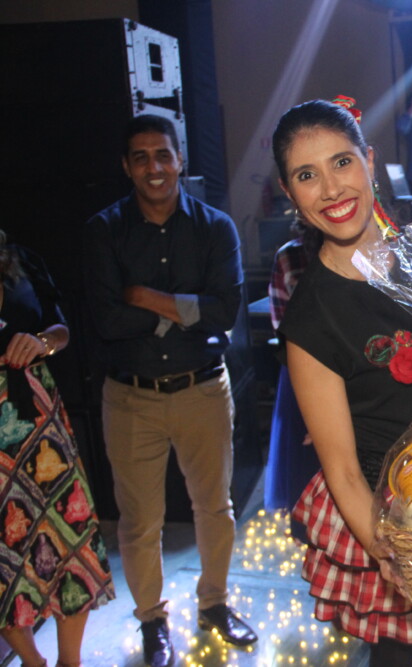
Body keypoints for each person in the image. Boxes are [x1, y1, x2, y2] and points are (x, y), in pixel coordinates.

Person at [272, 98, 412, 667]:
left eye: (341, 162)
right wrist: (387, 550)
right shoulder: (310, 318)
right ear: (288, 192)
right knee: (396, 653)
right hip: (390, 509)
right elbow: (343, 470)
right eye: (306, 175)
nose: (331, 189)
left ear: (369, 161)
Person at [84, 114, 256, 667]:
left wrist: (144, 297)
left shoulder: (215, 228)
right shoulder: (105, 231)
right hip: (130, 397)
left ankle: (214, 605)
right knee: (139, 523)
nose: (153, 167)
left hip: (202, 390)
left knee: (215, 509)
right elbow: (107, 321)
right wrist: (183, 311)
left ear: (180, 160)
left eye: (163, 154)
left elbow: (224, 313)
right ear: (126, 166)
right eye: (141, 157)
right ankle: (152, 621)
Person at [0, 229, 115, 667]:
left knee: (68, 534)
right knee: (4, 553)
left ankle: (71, 662)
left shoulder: (20, 259)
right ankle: (33, 662)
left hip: (40, 423)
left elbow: (60, 328)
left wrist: (42, 342)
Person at [263, 227, 320, 515]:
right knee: (305, 468)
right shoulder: (290, 256)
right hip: (304, 371)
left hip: (359, 368)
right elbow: (281, 327)